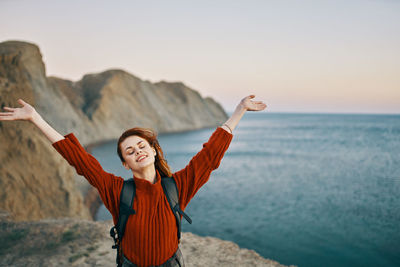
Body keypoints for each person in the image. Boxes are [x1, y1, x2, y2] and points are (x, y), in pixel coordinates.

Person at [0, 95, 267, 267]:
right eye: (129, 151)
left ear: (153, 150)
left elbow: (209, 157)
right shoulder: (116, 190)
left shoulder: (177, 186)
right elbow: (79, 159)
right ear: (125, 164)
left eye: (141, 146)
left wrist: (239, 111)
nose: (137, 151)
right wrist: (35, 118)